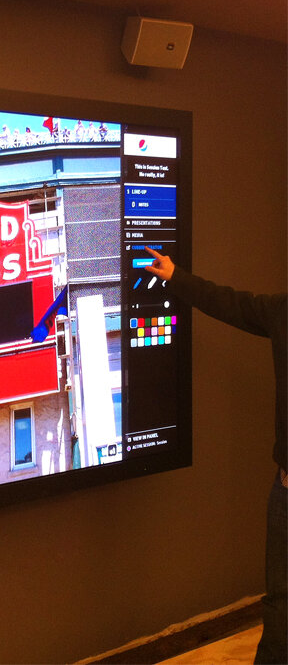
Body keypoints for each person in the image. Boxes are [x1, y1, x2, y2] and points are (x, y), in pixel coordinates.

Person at [145, 247, 287, 664]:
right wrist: (175, 276)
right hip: (286, 490)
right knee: (280, 604)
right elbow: (230, 303)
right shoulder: (282, 313)